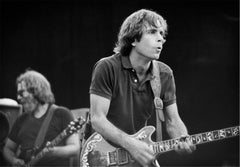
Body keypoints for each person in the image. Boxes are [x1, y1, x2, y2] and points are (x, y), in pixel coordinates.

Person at [89, 9, 196, 167]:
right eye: (153, 32)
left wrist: (183, 138)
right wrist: (131, 144)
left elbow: (173, 121)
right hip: (103, 155)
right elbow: (97, 119)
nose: (161, 39)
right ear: (133, 39)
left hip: (137, 156)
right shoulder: (106, 67)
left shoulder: (164, 73)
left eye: (162, 33)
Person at [3, 70, 80, 167]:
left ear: (35, 91)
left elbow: (75, 148)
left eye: (21, 93)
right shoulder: (21, 119)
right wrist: (14, 160)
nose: (18, 97)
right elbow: (8, 149)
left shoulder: (61, 113)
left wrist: (54, 151)